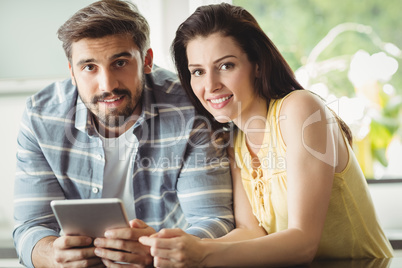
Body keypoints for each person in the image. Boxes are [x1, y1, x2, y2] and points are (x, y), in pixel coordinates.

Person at [139, 3, 394, 267]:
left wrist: (203, 254)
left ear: (257, 65)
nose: (210, 85)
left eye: (226, 66)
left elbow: (303, 242)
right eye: (198, 72)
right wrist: (177, 247)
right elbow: (251, 232)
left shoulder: (300, 109)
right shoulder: (234, 141)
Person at [13, 1, 235, 267]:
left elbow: (213, 220)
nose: (107, 85)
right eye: (89, 67)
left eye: (120, 62)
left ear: (147, 61)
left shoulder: (190, 108)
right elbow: (30, 227)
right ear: (72, 72)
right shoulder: (40, 116)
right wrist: (52, 256)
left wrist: (158, 252)